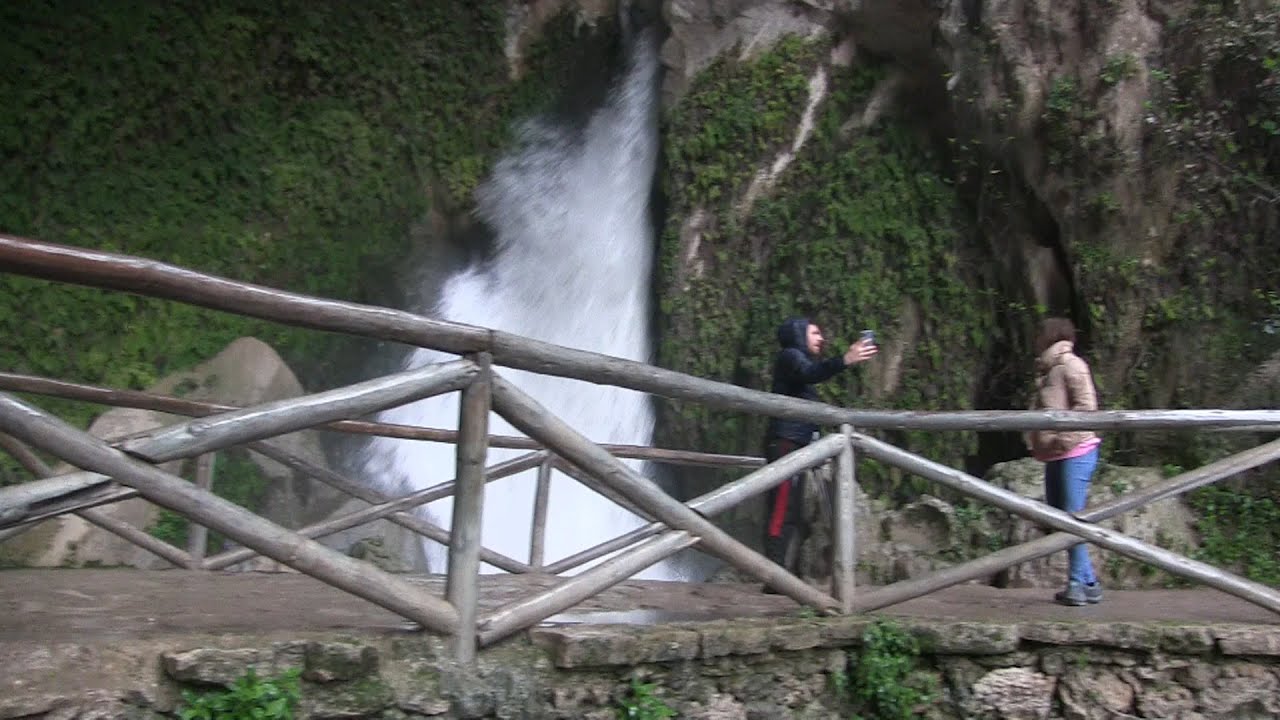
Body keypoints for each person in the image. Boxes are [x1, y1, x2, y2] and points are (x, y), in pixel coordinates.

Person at [761, 317, 878, 580]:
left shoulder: (796, 363)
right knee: (782, 510)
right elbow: (810, 373)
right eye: (815, 333)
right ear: (799, 334)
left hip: (795, 445)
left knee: (789, 510)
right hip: (785, 443)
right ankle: (773, 576)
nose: (821, 338)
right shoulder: (790, 356)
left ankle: (778, 574)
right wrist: (845, 360)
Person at [1026, 317, 1104, 606]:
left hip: (1076, 451)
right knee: (1062, 520)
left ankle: (1076, 585)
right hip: (1055, 453)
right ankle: (1090, 583)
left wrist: (1063, 439)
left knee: (1073, 519)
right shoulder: (1048, 369)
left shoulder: (1072, 365)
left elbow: (1086, 408)